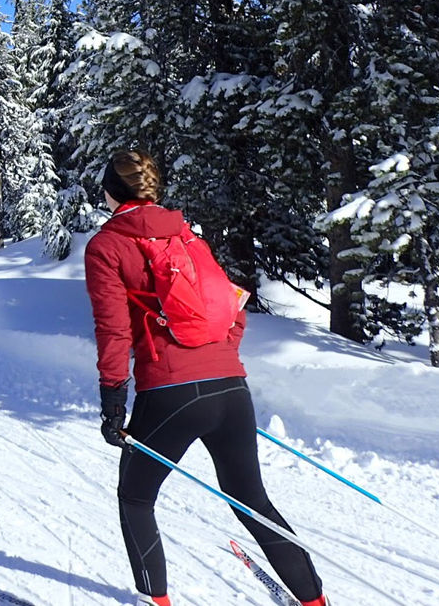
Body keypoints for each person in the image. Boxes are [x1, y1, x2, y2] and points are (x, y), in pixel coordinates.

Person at [84, 150, 329, 606]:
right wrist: (218, 357)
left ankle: (153, 601)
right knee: (251, 499)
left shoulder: (107, 245)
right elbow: (231, 305)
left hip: (168, 392)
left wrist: (113, 401)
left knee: (135, 499)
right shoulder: (187, 235)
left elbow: (113, 330)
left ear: (112, 191)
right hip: (231, 387)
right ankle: (315, 601)